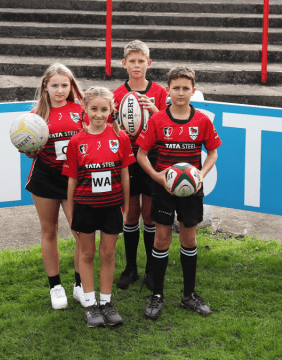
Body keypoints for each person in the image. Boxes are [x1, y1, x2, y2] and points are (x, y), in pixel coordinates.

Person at [136, 66, 222, 320]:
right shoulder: (158, 120)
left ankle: (188, 295)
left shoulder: (202, 120)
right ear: (168, 91)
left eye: (186, 88)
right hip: (164, 188)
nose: (181, 93)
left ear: (193, 91)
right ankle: (157, 295)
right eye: (176, 88)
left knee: (189, 239)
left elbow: (213, 152)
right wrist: (157, 176)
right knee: (161, 239)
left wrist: (200, 175)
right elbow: (141, 154)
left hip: (192, 190)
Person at [63, 86, 134, 328]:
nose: (99, 114)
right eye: (94, 109)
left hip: (112, 207)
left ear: (112, 110)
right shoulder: (76, 142)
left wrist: (125, 207)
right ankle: (90, 304)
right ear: (85, 109)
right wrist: (71, 213)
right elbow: (72, 179)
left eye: (104, 109)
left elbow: (125, 175)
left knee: (107, 254)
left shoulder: (120, 138)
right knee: (87, 254)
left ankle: (106, 302)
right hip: (85, 207)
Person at [21, 63, 86, 310]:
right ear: (45, 87)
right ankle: (55, 286)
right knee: (49, 231)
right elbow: (29, 152)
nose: (60, 90)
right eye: (55, 85)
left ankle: (80, 284)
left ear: (71, 87)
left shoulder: (80, 110)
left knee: (80, 231)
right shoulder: (35, 115)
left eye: (64, 85)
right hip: (45, 178)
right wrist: (29, 150)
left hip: (73, 179)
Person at [113, 40, 168, 291]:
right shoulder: (116, 95)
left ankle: (150, 270)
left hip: (152, 158)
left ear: (149, 63)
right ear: (124, 64)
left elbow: (168, 126)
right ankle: (131, 267)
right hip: (128, 160)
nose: (136, 66)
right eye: (132, 61)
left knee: (149, 216)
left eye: (141, 61)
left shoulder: (159, 92)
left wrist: (155, 110)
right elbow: (109, 129)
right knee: (130, 214)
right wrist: (118, 128)